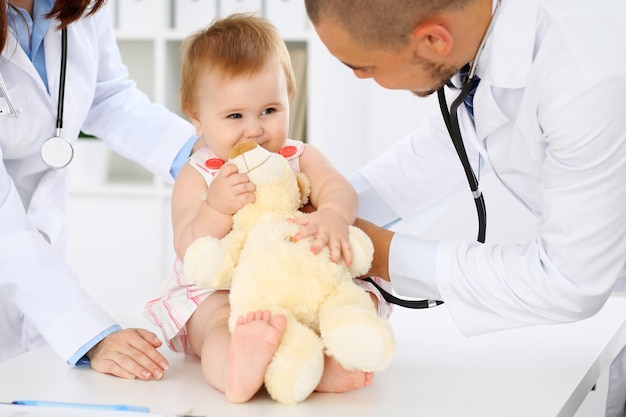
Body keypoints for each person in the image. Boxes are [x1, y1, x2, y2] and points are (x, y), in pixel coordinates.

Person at [304, 0, 626, 416]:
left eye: (362, 66)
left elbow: (568, 280)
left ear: (434, 40)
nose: (360, 77)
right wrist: (322, 210)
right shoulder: (480, 41)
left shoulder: (585, 73)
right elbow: (439, 153)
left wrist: (383, 254)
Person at [143, 13, 392, 403]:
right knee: (215, 323)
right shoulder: (199, 174)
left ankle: (325, 365)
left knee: (347, 299)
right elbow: (187, 245)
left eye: (269, 110)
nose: (255, 129)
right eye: (235, 116)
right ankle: (235, 369)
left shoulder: (299, 156)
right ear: (197, 116)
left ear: (289, 96)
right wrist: (215, 208)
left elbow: (338, 189)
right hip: (222, 288)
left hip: (295, 275)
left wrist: (331, 214)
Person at [0, 0, 200, 380]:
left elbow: (106, 95)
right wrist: (90, 333)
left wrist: (199, 154)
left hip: (41, 258)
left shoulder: (77, 6)